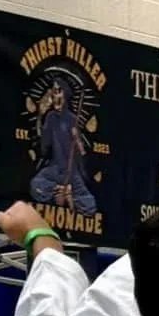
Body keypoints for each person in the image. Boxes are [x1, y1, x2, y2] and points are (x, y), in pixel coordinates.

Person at [29, 78, 99, 218]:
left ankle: (69, 195)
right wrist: (40, 117)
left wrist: (77, 139)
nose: (56, 96)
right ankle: (61, 190)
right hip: (55, 169)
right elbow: (44, 149)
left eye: (59, 91)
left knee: (90, 206)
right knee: (35, 185)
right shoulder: (50, 118)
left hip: (71, 171)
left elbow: (82, 154)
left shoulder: (72, 119)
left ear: (66, 95)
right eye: (54, 92)